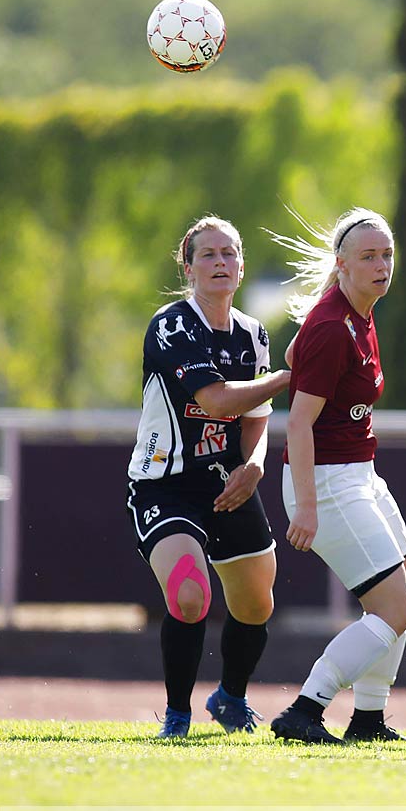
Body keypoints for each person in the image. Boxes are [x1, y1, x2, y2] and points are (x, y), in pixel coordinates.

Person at [129, 216, 292, 738]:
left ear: (242, 266)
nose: (220, 262)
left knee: (256, 601)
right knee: (190, 595)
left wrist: (256, 465)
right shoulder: (172, 324)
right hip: (167, 483)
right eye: (208, 254)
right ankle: (177, 716)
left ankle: (230, 699)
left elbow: (256, 420)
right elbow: (216, 401)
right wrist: (289, 378)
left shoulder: (253, 333)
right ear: (189, 267)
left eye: (229, 254)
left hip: (228, 480)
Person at [265, 208, 406, 745]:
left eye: (387, 255)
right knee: (394, 608)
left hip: (358, 473)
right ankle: (305, 709)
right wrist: (306, 507)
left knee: (403, 597)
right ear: (343, 264)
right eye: (369, 257)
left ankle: (369, 719)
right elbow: (298, 423)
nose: (381, 265)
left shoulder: (355, 312)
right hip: (327, 481)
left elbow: (293, 355)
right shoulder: (333, 327)